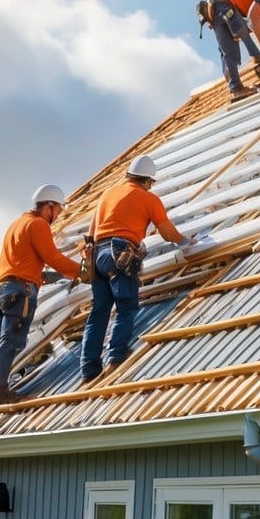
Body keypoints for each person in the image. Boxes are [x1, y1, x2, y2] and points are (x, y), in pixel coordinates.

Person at [81, 154, 190, 381]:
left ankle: (89, 371)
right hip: (119, 252)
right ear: (148, 181)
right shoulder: (147, 198)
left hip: (97, 256)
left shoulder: (107, 194)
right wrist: (187, 242)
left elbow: (90, 235)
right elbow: (167, 232)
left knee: (99, 312)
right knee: (127, 306)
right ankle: (115, 357)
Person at [0, 184, 80, 407]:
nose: (57, 217)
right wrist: (82, 272)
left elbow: (24, 263)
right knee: (11, 340)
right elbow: (53, 257)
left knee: (0, 341)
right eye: (58, 211)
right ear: (49, 206)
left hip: (4, 290)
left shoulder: (17, 224)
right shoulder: (38, 224)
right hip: (20, 292)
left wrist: (40, 276)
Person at [197, 0, 260, 102]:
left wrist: (236, 32)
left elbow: (235, 23)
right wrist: (236, 33)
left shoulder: (219, 7)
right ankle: (236, 88)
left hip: (227, 16)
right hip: (223, 18)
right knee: (228, 52)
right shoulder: (214, 13)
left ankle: (236, 85)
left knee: (228, 52)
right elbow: (239, 29)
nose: (207, 23)